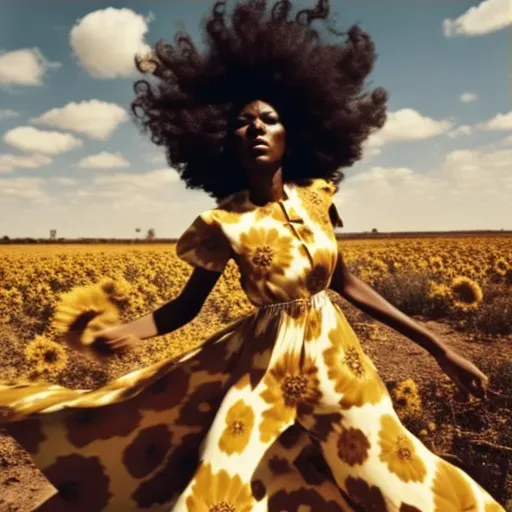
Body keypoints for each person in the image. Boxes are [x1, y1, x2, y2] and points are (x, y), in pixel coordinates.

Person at [0, 0, 505, 510]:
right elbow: (184, 307)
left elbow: (349, 286)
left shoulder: (319, 198)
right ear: (224, 140)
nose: (258, 127)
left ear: (294, 132)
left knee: (385, 471)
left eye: (270, 118)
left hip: (340, 367)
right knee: (217, 481)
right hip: (263, 371)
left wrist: (440, 349)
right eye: (243, 122)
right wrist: (123, 332)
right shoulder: (225, 224)